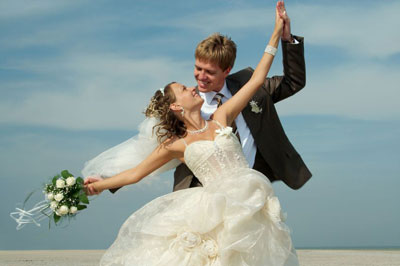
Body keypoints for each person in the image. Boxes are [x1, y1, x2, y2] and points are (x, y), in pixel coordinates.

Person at [85, 2, 299, 265]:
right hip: (211, 211)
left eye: (208, 72)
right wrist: (98, 185)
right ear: (175, 105)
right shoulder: (175, 145)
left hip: (252, 203)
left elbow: (256, 81)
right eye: (186, 87)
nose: (195, 83)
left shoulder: (221, 117)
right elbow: (136, 172)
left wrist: (277, 33)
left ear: (226, 71)